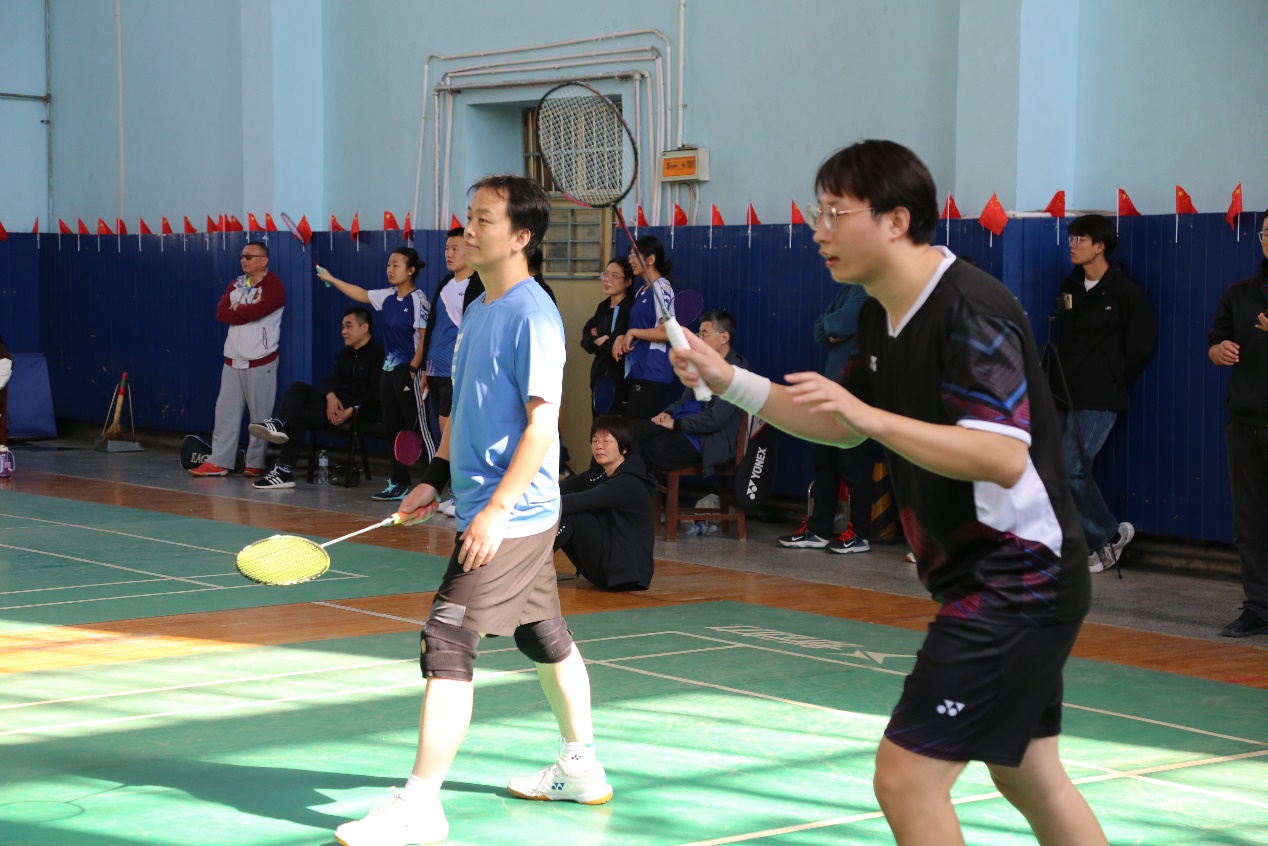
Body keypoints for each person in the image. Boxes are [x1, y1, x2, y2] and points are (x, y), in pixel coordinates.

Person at [671, 140, 1105, 846]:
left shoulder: (971, 311)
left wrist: (872, 419)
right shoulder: (878, 312)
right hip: (984, 575)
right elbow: (839, 426)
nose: (819, 231)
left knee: (906, 779)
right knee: (1028, 772)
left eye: (835, 214)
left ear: (897, 220)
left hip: (1017, 578)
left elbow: (1000, 456)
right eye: (817, 213)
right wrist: (728, 380)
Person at [334, 175, 610, 846]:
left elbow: (543, 427)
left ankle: (420, 804)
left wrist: (497, 510)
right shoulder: (478, 306)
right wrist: (434, 478)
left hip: (514, 513)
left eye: (484, 220)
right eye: (466, 218)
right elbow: (462, 408)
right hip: (487, 503)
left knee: (448, 639)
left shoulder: (533, 315)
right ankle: (581, 767)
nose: (467, 231)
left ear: (521, 236)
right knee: (542, 634)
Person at [1050, 213, 1157, 573]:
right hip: (1063, 392)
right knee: (1057, 469)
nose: (1072, 245)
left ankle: (1108, 537)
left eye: (1080, 239)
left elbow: (1141, 346)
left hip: (1099, 397)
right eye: (1071, 238)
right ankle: (1095, 539)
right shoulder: (1070, 285)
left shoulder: (1126, 293)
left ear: (1099, 246)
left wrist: (1111, 377)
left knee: (1072, 469)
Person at [318, 248, 429, 501]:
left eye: (396, 265)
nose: (390, 269)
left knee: (417, 430)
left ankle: (431, 485)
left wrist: (413, 369)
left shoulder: (418, 299)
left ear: (411, 270)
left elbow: (425, 338)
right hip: (388, 373)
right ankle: (399, 483)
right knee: (393, 430)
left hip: (409, 372)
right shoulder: (387, 296)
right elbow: (361, 293)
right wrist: (332, 278)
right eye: (389, 265)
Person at [1206, 210, 1268, 638]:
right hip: (1246, 422)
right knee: (1250, 521)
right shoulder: (1239, 293)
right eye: (1266, 233)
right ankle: (1259, 607)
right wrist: (1218, 351)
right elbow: (1215, 341)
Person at [779, 284, 876, 554]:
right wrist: (831, 327)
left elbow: (836, 325)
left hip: (854, 391)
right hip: (832, 390)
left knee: (854, 464)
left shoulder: (866, 290)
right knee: (825, 462)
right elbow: (820, 331)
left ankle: (860, 534)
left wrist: (833, 326)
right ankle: (819, 530)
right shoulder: (848, 290)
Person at [248, 307, 384, 489]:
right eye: (342, 327)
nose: (343, 331)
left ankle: (284, 471)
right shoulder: (345, 354)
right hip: (335, 408)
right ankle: (279, 424)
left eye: (348, 326)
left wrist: (350, 411)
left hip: (361, 412)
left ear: (364, 328)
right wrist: (330, 396)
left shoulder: (379, 353)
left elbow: (377, 391)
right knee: (298, 388)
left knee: (297, 414)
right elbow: (330, 381)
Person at [189, 241, 285, 477]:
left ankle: (254, 463)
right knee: (225, 414)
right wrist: (241, 311)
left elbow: (258, 311)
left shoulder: (274, 286)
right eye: (242, 256)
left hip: (261, 359)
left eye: (249, 256)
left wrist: (237, 309)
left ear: (264, 260)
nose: (244, 260)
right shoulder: (236, 284)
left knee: (260, 418)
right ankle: (219, 462)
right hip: (232, 360)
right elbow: (221, 313)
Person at [630, 309, 747, 474]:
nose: (699, 339)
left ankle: (631, 488)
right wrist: (667, 413)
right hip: (679, 426)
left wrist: (676, 424)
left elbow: (715, 419)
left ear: (724, 337)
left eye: (704, 334)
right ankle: (625, 486)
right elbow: (682, 401)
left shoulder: (736, 373)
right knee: (629, 432)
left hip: (703, 440)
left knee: (650, 449)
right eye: (698, 334)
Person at [556, 414, 656, 590]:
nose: (599, 446)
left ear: (624, 447)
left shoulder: (629, 482)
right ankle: (524, 565)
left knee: (570, 513)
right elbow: (557, 488)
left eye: (607, 441)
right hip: (608, 567)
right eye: (595, 440)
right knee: (557, 505)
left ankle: (524, 567)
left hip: (627, 574)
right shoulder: (598, 475)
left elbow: (576, 502)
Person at [419, 227, 484, 434]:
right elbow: (431, 327)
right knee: (444, 431)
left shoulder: (480, 285)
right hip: (434, 370)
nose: (449, 254)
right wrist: (424, 369)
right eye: (447, 249)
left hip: (456, 372)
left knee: (449, 431)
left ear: (470, 249)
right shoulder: (445, 284)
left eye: (455, 248)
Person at [612, 235, 677, 418]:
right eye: (630, 255)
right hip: (636, 368)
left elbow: (669, 332)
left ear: (651, 259)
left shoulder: (662, 287)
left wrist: (633, 332)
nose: (630, 260)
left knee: (637, 428)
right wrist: (622, 336)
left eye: (635, 255)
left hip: (652, 371)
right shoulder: (642, 291)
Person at [580, 258, 634, 417]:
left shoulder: (630, 307)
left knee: (615, 426)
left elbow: (616, 348)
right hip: (599, 376)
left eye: (614, 276)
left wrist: (604, 343)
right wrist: (596, 340)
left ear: (628, 282)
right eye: (605, 274)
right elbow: (586, 338)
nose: (607, 279)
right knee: (598, 425)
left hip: (619, 379)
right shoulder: (603, 307)